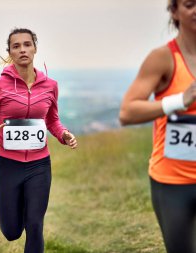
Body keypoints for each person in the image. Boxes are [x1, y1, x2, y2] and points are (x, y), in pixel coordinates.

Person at [0, 28, 78, 253]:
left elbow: (53, 121)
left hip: (39, 165)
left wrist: (64, 134)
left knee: (35, 224)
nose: (22, 49)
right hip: (7, 164)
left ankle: (30, 210)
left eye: (27, 44)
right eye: (16, 46)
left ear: (35, 48)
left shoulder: (50, 86)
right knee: (11, 232)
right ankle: (18, 205)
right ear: (10, 52)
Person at [119, 0, 196, 252]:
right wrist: (179, 100)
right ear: (174, 11)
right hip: (172, 182)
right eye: (190, 4)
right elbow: (127, 112)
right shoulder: (163, 58)